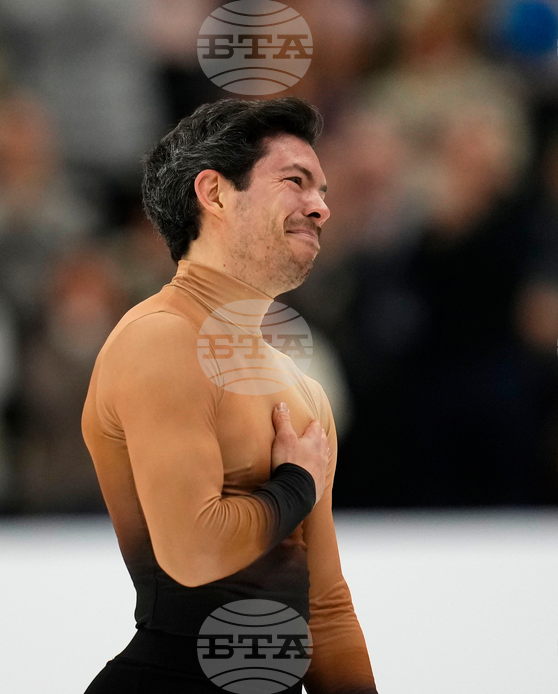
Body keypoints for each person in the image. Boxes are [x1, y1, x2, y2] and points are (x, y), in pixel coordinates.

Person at [81, 97, 377, 693]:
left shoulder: (302, 390)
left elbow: (326, 609)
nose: (320, 206)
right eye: (295, 182)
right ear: (214, 193)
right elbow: (193, 553)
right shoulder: (160, 339)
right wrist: (295, 483)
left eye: (322, 190)